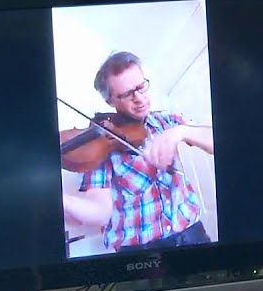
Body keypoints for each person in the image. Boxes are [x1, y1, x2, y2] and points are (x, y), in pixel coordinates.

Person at [62, 50, 216, 252]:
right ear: (110, 101)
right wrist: (58, 198)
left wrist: (182, 131)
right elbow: (99, 211)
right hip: (142, 258)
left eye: (141, 87)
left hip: (193, 236)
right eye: (127, 94)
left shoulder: (166, 121)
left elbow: (219, 141)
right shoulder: (100, 145)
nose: (139, 98)